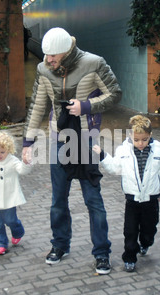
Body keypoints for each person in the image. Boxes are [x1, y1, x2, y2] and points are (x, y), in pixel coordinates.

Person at [22, 27, 122, 274]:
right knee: (58, 200)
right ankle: (60, 245)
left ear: (66, 51)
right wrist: (27, 142)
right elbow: (37, 105)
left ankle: (101, 253)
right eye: (46, 56)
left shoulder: (93, 63)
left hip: (87, 141)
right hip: (59, 141)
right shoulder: (43, 69)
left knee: (93, 201)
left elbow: (115, 94)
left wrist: (86, 106)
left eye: (53, 56)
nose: (48, 60)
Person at [93, 115, 160, 272]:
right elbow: (115, 168)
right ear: (130, 136)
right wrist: (102, 155)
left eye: (144, 139)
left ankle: (146, 242)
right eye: (136, 140)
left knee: (149, 228)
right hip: (132, 200)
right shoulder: (123, 150)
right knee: (130, 231)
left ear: (150, 135)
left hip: (151, 198)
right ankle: (129, 257)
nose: (140, 143)